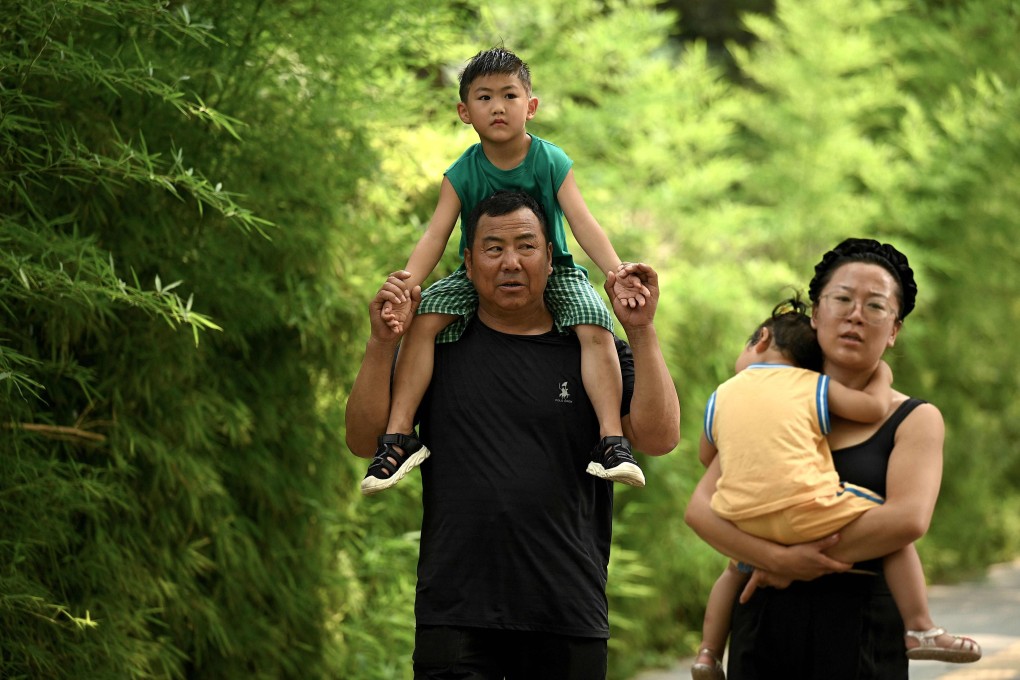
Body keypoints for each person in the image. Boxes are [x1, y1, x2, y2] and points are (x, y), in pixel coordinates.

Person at [344, 190, 680, 679]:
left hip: (567, 611)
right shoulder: (437, 346)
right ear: (468, 262)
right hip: (454, 611)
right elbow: (362, 440)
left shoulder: (593, 351)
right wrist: (381, 343)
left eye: (526, 246)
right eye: (493, 248)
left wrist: (643, 331)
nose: (511, 263)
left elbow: (659, 437)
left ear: (550, 257)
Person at [359, 46, 651, 496]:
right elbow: (435, 235)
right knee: (423, 319)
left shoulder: (551, 161)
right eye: (484, 97)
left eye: (509, 95)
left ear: (530, 106)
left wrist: (616, 271)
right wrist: (407, 285)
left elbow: (582, 221)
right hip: (476, 275)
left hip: (555, 272)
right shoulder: (461, 173)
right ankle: (398, 437)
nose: (498, 107)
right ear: (464, 112)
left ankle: (612, 441)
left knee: (595, 321)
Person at [685, 238, 982, 680]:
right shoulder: (769, 405)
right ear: (816, 314)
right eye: (842, 299)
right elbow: (701, 510)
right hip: (766, 622)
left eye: (875, 306)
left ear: (894, 330)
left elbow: (907, 520)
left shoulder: (914, 418)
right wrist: (779, 560)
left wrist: (795, 561)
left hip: (863, 629)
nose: (855, 315)